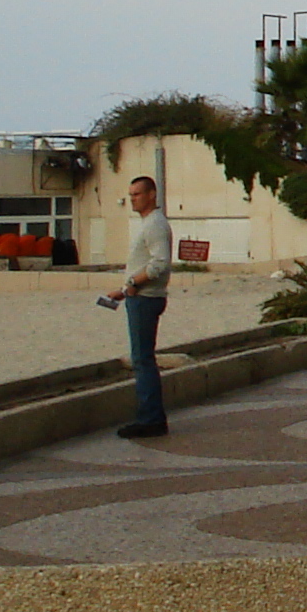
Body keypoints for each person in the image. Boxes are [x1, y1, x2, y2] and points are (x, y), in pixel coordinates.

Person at [113, 174, 173, 439]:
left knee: (142, 359)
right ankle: (150, 416)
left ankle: (151, 418)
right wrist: (125, 289)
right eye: (130, 195)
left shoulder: (155, 225)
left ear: (151, 194)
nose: (132, 200)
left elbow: (160, 264)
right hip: (139, 295)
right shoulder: (149, 224)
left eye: (137, 194)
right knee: (142, 357)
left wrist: (134, 283)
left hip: (146, 299)